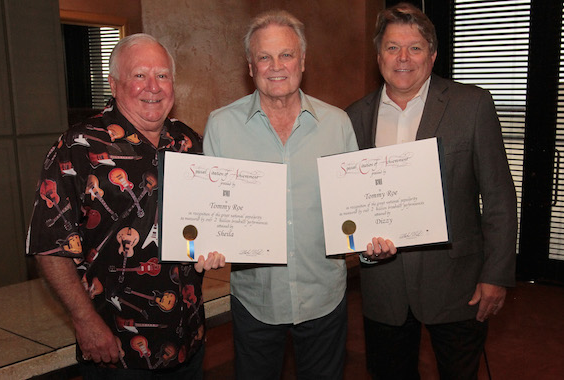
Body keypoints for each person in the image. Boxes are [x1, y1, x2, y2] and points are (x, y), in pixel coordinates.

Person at [202, 10, 393, 380]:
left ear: (303, 61)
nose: (276, 66)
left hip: (324, 296)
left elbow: (357, 208)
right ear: (250, 65)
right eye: (264, 56)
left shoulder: (337, 124)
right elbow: (212, 212)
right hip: (255, 300)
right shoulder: (221, 126)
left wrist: (372, 238)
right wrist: (207, 242)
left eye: (286, 55)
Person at [26, 33, 225, 379]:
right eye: (139, 75)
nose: (153, 86)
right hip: (117, 350)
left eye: (162, 75)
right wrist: (85, 321)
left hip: (188, 339)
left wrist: (215, 245)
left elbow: (205, 222)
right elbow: (49, 246)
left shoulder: (188, 141)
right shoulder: (78, 147)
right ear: (114, 84)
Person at [345, 3, 517, 379]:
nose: (403, 58)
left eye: (415, 47)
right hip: (383, 288)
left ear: (433, 54)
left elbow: (500, 197)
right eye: (392, 47)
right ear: (378, 56)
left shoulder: (472, 106)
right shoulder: (354, 116)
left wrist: (497, 275)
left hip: (458, 286)